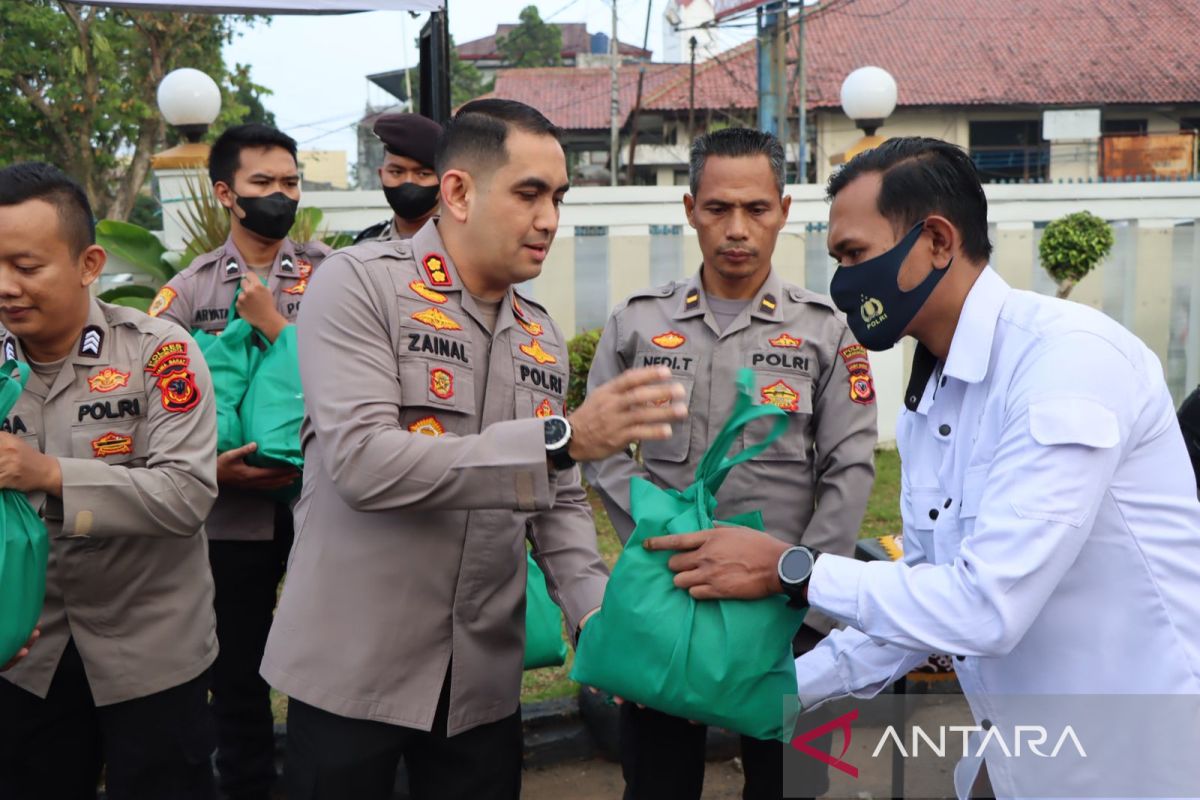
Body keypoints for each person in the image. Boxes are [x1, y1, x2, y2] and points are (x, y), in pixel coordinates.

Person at [647, 137, 1200, 798]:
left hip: (1138, 764)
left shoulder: (1065, 365)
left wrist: (789, 568)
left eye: (855, 255)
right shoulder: (932, 398)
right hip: (1021, 756)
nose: (845, 281)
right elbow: (926, 593)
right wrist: (769, 691)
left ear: (938, 241)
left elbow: (985, 608)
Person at [259, 98, 688, 800]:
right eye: (528, 194)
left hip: (479, 681)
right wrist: (563, 438)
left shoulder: (539, 333)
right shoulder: (361, 284)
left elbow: (559, 499)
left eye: (558, 197)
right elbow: (364, 464)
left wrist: (597, 617)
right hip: (352, 669)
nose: (549, 218)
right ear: (457, 191)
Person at [584, 127, 877, 800]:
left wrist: (804, 595)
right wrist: (658, 552)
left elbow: (850, 467)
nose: (737, 229)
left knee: (789, 786)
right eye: (718, 209)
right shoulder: (637, 325)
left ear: (784, 207)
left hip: (784, 613)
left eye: (756, 209)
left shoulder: (826, 332)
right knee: (658, 783)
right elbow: (598, 452)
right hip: (669, 602)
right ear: (690, 209)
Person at [0, 162, 219, 799]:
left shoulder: (159, 352)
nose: (6, 287)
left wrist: (47, 474)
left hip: (151, 656)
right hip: (26, 655)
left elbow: (185, 496)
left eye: (27, 266)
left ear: (89, 263)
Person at [149, 122, 329, 800]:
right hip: (229, 520)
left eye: (289, 183)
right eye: (262, 184)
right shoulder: (189, 293)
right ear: (226, 192)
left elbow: (355, 382)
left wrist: (277, 325)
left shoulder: (333, 276)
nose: (278, 195)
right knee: (237, 673)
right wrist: (210, 470)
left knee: (329, 660)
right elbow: (160, 409)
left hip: (324, 511)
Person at [354, 112, 444, 243]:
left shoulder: (467, 246)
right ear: (381, 175)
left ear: (444, 181)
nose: (408, 181)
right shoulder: (366, 244)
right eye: (396, 172)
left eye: (422, 174)